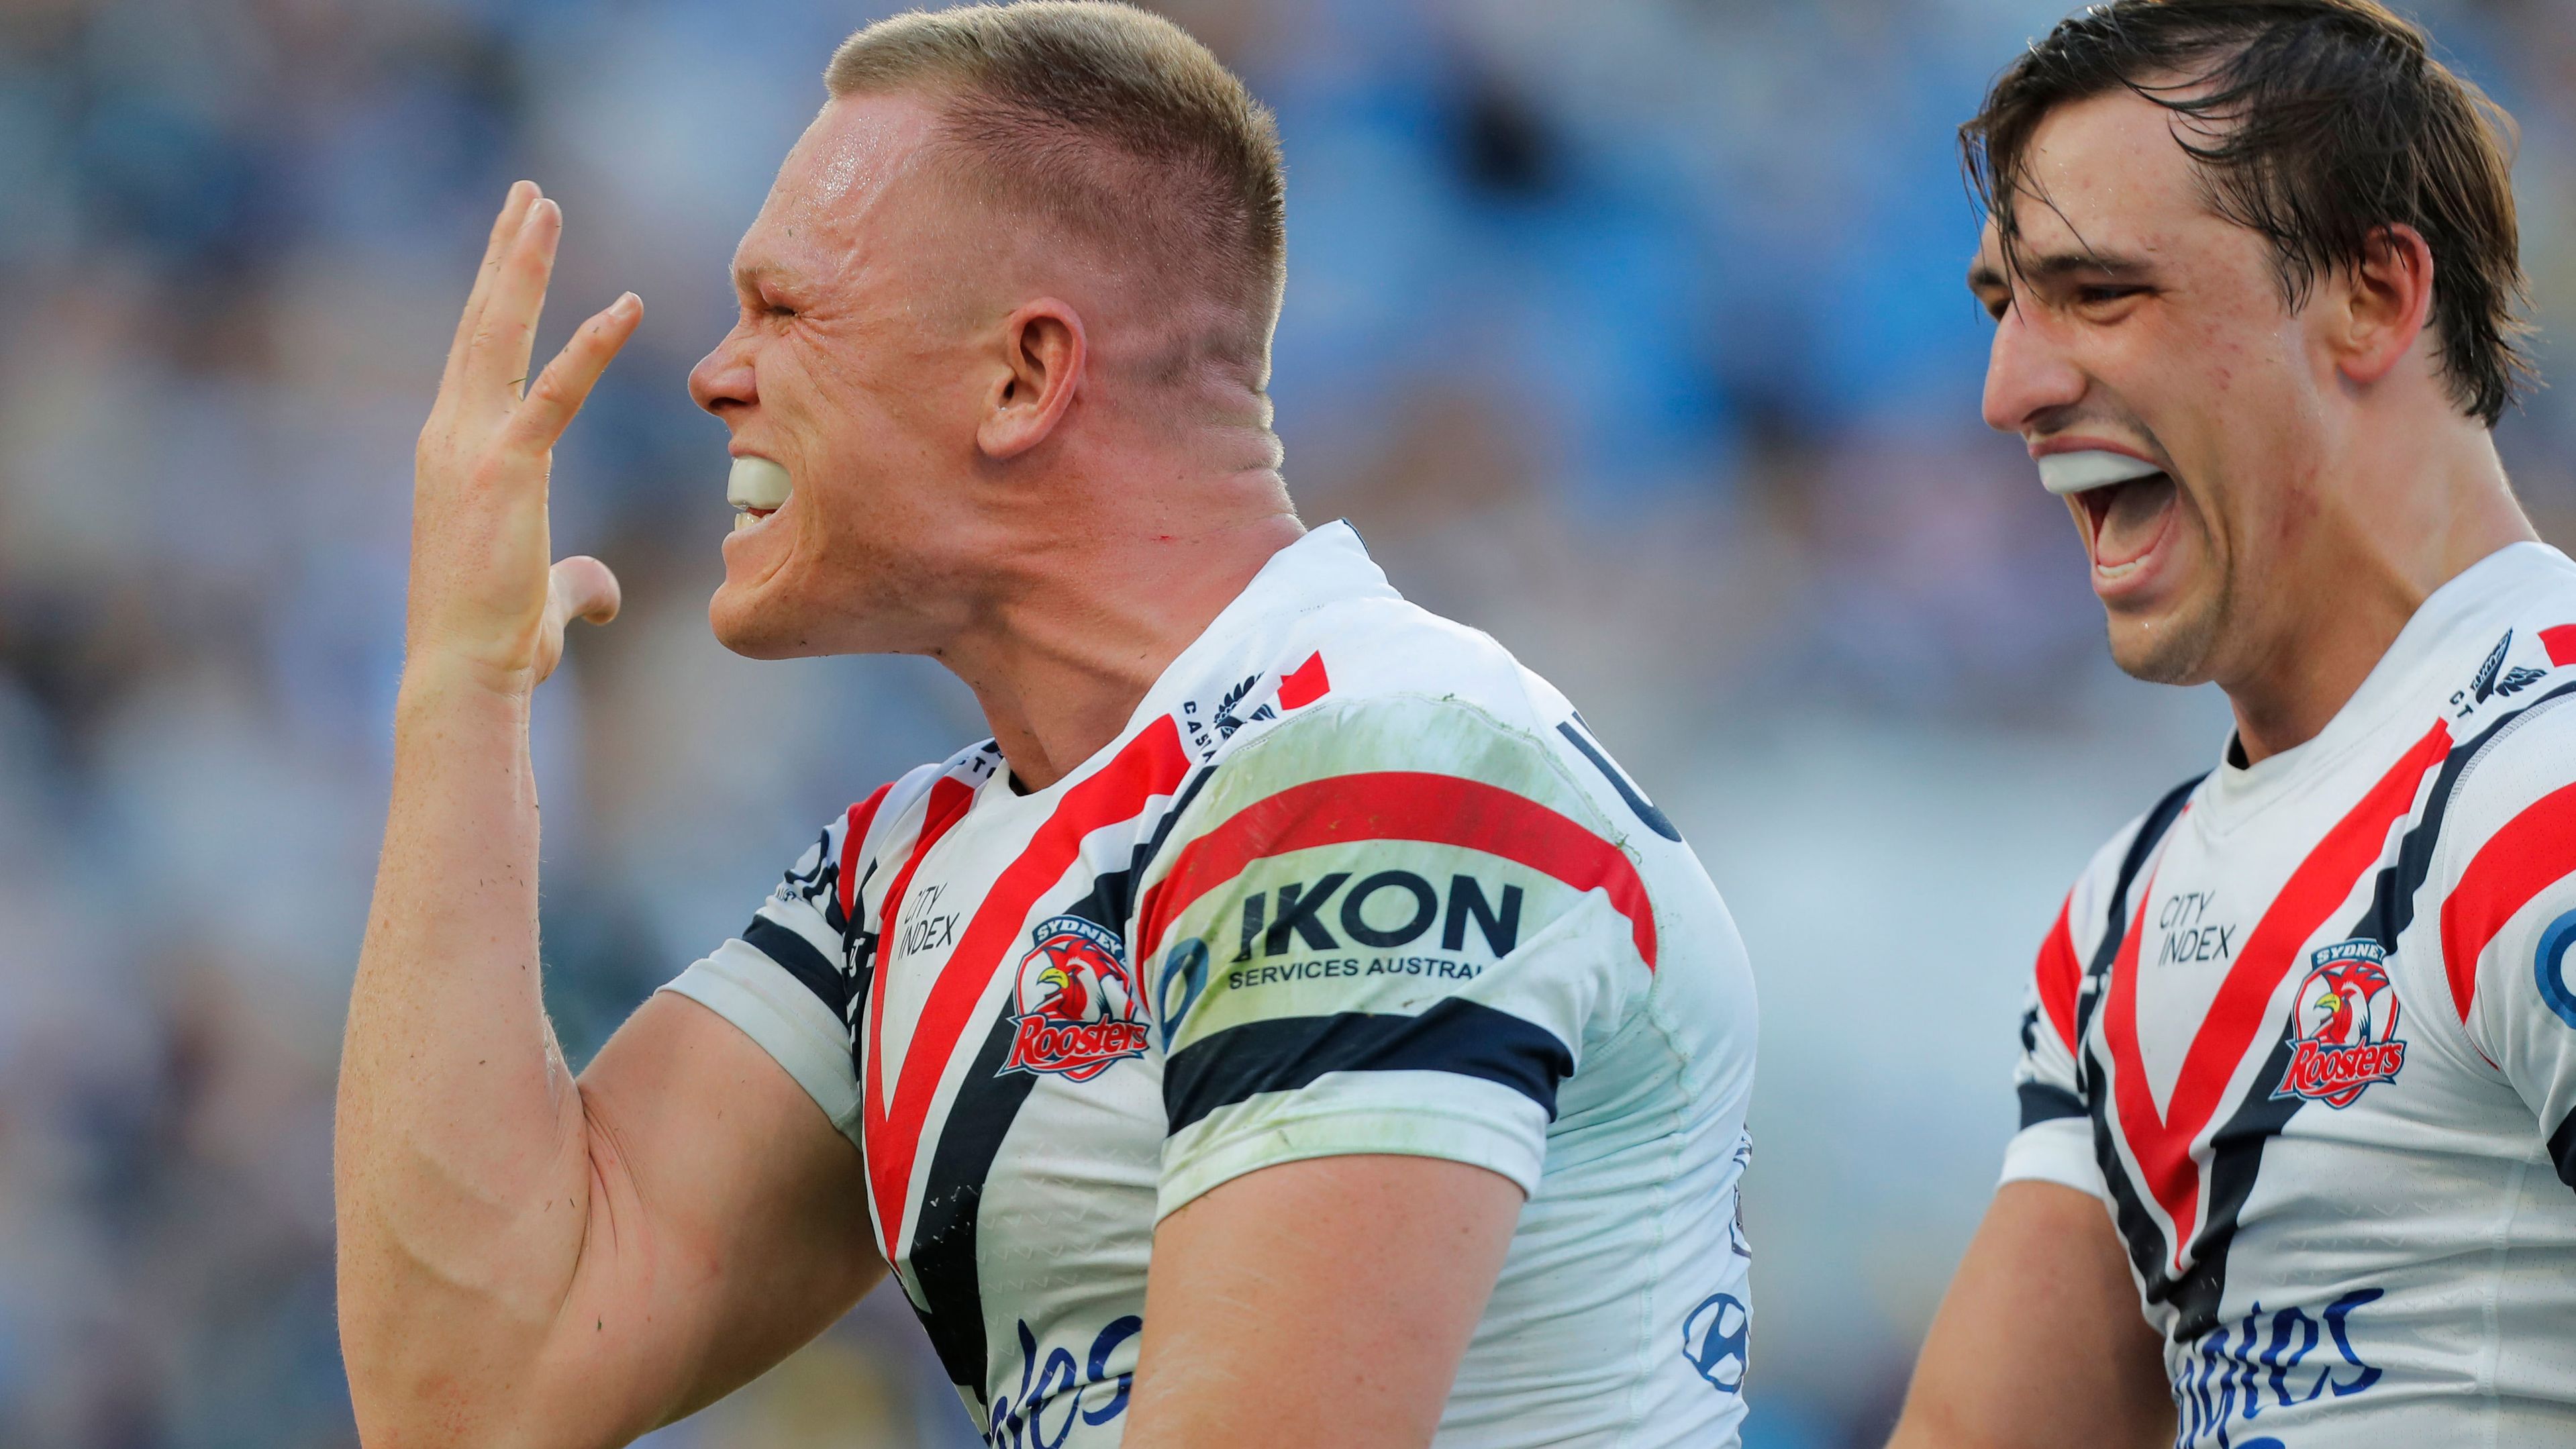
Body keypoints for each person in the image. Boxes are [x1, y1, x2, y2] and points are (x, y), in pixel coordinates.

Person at [331, 5, 1760, 1446]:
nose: (713, 373)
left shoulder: (1383, 767)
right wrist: (459, 689)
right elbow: (474, 1379)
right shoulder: (909, 871)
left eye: (781, 310)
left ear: (1022, 375)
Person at [1888, 3, 2576, 1446]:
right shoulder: (2123, 913)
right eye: (1998, 305)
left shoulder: (2543, 793)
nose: (2006, 388)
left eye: (2096, 293)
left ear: (2372, 298)